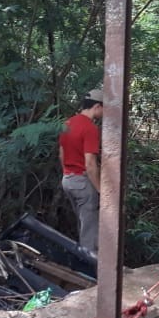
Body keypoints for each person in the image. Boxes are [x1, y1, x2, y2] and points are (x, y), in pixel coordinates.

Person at [58, 88, 104, 255]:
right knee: (89, 231)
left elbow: (61, 154)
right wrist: (100, 190)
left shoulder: (67, 123)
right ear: (97, 106)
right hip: (83, 183)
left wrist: (68, 172)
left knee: (84, 224)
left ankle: (92, 263)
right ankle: (90, 273)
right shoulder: (90, 128)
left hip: (68, 180)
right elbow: (90, 163)